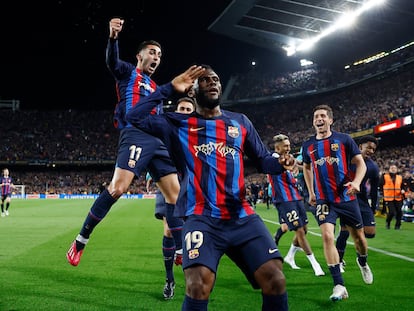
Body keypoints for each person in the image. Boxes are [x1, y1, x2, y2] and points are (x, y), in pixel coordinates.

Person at [126, 65, 292, 310]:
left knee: (275, 279)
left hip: (241, 217)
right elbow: (133, 117)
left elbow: (263, 159)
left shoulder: (240, 122)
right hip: (201, 217)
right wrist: (169, 88)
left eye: (215, 79)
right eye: (204, 80)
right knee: (197, 285)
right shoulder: (177, 123)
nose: (212, 83)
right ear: (192, 91)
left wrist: (281, 163)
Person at [66, 17, 204, 266]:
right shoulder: (128, 72)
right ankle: (81, 240)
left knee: (174, 196)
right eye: (152, 52)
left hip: (157, 142)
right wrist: (112, 38)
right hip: (135, 134)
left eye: (160, 55)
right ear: (139, 56)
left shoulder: (155, 86)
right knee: (118, 188)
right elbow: (111, 62)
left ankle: (182, 250)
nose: (157, 57)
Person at [302, 104, 372, 302]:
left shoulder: (344, 139)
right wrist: (311, 191)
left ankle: (363, 262)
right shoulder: (308, 145)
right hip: (325, 200)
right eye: (316, 116)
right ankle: (339, 284)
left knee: (359, 238)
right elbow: (307, 167)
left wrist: (357, 182)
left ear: (330, 120)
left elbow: (361, 163)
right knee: (326, 236)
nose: (319, 119)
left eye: (323, 116)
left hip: (347, 196)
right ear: (313, 121)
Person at [146, 97, 196, 300]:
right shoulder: (164, 127)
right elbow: (152, 150)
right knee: (168, 230)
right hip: (167, 181)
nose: (183, 111)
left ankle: (194, 279)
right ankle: (170, 280)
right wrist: (151, 174)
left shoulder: (197, 132)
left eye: (188, 109)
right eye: (181, 108)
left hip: (190, 184)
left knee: (193, 231)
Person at [268, 134, 325, 276]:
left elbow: (297, 167)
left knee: (304, 230)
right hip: (284, 200)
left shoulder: (288, 159)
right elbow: (284, 163)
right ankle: (315, 264)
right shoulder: (272, 160)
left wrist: (309, 167)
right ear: (277, 147)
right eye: (285, 146)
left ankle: (289, 256)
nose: (288, 148)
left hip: (296, 197)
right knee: (299, 231)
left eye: (288, 145)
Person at [335, 135, 380, 273]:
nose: (371, 151)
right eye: (369, 147)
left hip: (361, 201)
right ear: (360, 146)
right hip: (347, 198)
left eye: (374, 149)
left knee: (370, 233)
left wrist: (372, 208)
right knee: (344, 231)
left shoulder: (372, 167)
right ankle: (339, 260)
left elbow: (373, 190)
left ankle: (355, 241)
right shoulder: (346, 159)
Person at [380, 163, 404, 229]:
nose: (393, 169)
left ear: (397, 170)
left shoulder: (400, 177)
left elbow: (403, 186)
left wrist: (403, 190)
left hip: (398, 197)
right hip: (388, 198)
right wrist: (383, 192)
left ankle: (398, 226)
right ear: (389, 169)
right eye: (392, 168)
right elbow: (380, 184)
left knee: (399, 212)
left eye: (395, 168)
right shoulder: (384, 176)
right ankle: (388, 222)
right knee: (391, 212)